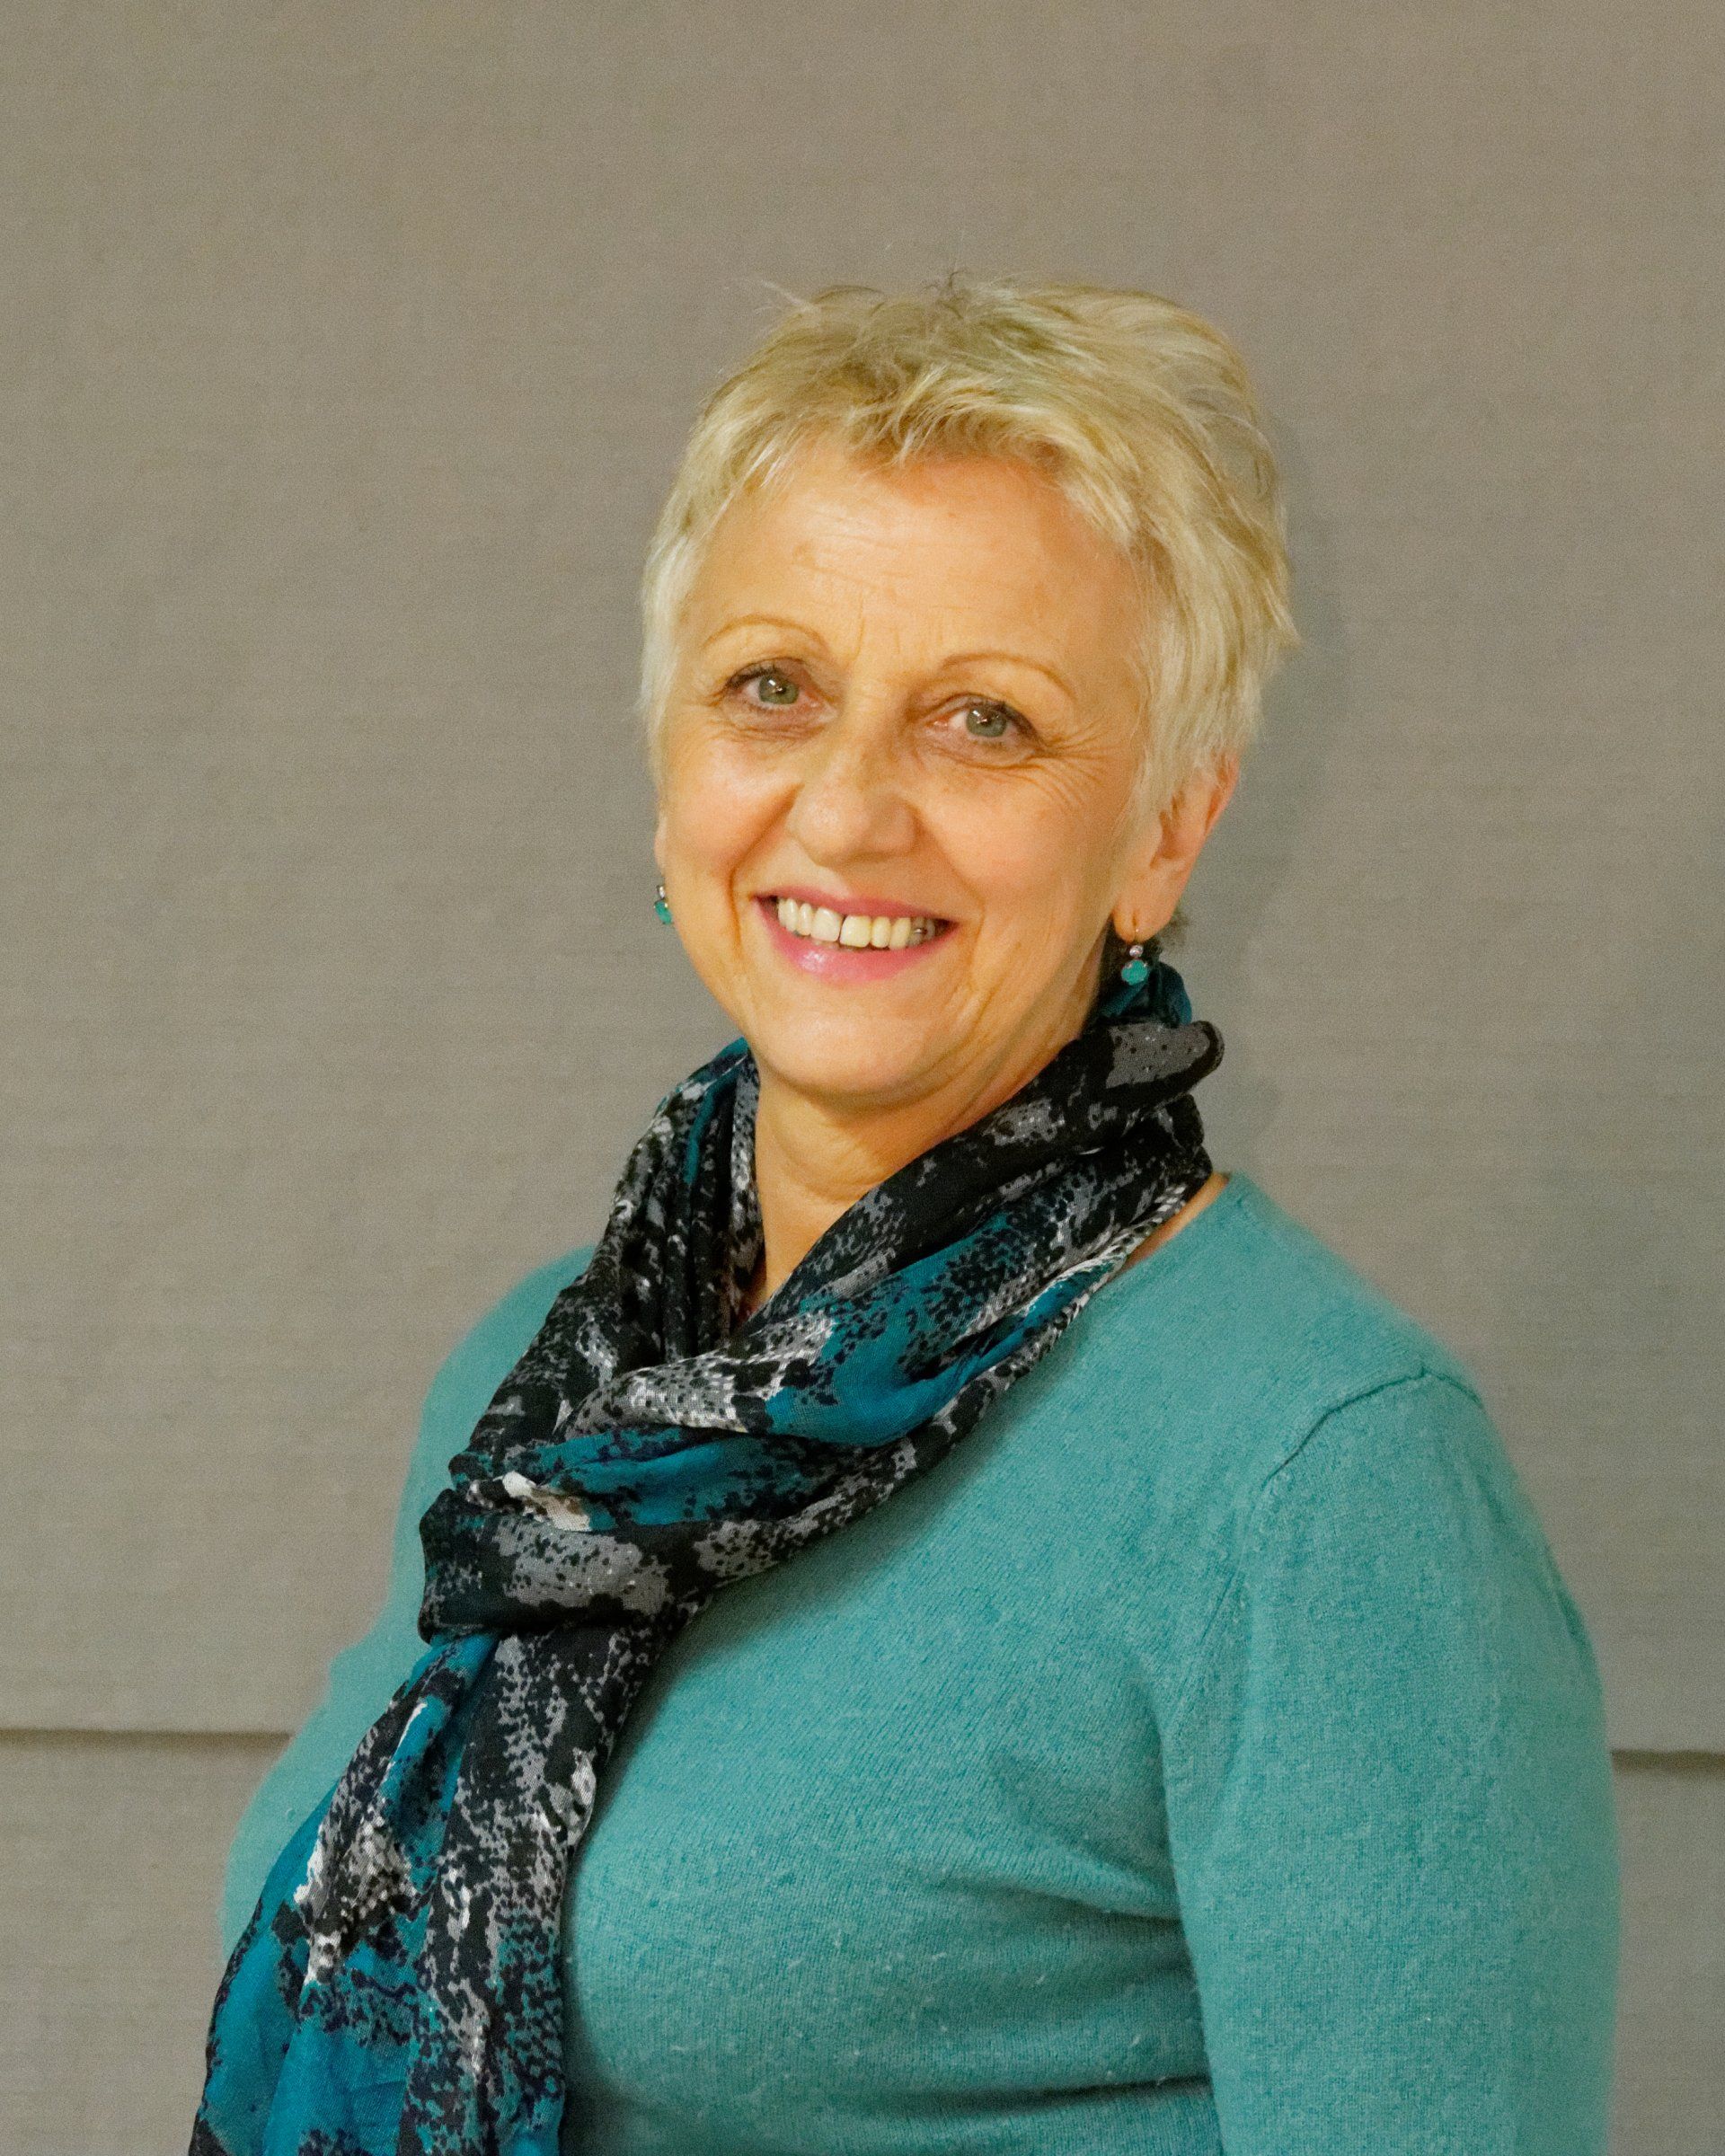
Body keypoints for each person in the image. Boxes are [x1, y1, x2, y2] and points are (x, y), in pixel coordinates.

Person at [195, 276, 1620, 2156]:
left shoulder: (1320, 1481)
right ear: (670, 757)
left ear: (1167, 832)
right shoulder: (549, 1398)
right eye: (772, 688)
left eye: (986, 721)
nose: (851, 811)